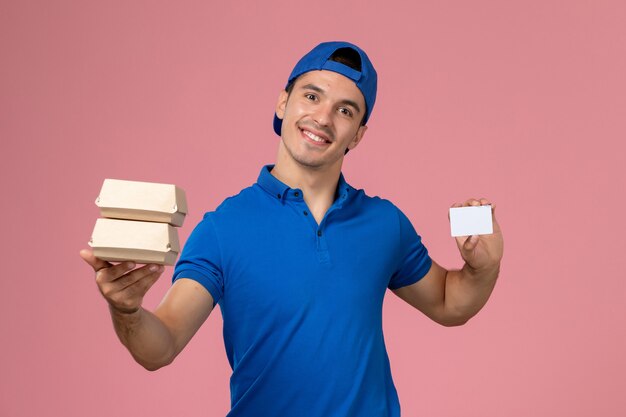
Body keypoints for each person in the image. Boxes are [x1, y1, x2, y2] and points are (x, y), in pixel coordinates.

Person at [80, 41, 503, 417]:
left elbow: (450, 304)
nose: (322, 118)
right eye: (311, 96)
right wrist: (128, 310)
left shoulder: (383, 223)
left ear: (358, 134)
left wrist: (483, 267)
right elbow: (163, 344)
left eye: (345, 110)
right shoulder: (223, 229)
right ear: (283, 103)